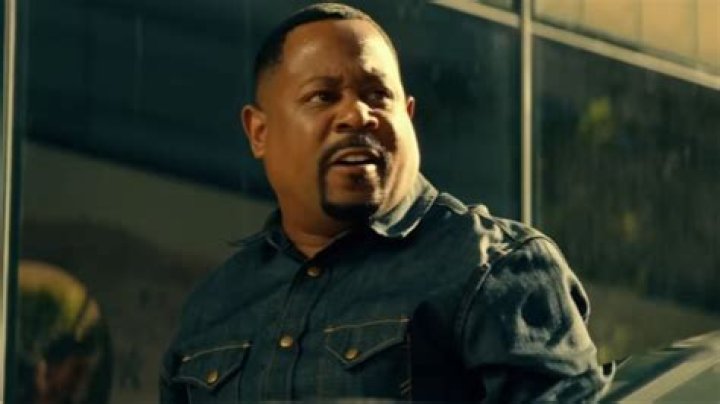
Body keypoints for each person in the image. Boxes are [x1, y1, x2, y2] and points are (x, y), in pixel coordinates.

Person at [160, 3, 613, 402]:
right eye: (323, 97)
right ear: (259, 132)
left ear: (408, 116)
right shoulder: (213, 307)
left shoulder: (496, 269)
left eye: (378, 96)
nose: (358, 114)